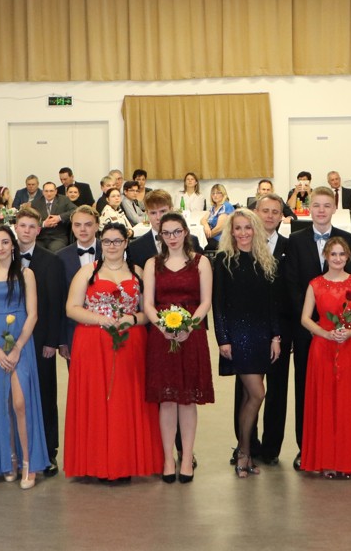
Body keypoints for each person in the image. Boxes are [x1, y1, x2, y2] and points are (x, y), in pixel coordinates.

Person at [63, 222, 163, 482]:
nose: (111, 246)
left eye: (117, 241)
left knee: (125, 402)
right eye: (106, 241)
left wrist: (133, 318)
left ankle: (125, 461)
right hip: (93, 344)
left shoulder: (138, 272)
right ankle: (96, 462)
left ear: (125, 242)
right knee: (98, 401)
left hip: (131, 343)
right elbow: (71, 308)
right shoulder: (88, 272)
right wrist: (101, 319)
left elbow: (148, 311)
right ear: (101, 243)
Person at [283, 186, 351, 470]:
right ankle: (307, 448)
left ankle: (338, 446)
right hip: (307, 330)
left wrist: (340, 325)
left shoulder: (347, 239)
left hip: (341, 332)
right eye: (316, 205)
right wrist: (313, 323)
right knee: (306, 389)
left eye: (327, 205)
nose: (321, 210)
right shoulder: (295, 240)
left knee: (340, 389)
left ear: (335, 208)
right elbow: (291, 284)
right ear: (308, 209)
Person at [143, 212, 215, 483]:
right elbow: (148, 303)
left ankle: (186, 458)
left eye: (176, 232)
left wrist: (189, 327)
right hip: (161, 336)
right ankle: (167, 459)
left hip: (191, 336)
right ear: (160, 236)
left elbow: (206, 302)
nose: (172, 237)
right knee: (167, 400)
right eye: (166, 233)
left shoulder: (201, 262)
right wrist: (162, 326)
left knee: (187, 400)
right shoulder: (153, 263)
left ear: (185, 232)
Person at [0, 226, 49, 488]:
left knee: (20, 402)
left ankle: (29, 462)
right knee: (0, 402)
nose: (1, 247)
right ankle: (10, 459)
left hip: (20, 341)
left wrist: (17, 347)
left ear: (13, 245)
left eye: (5, 242)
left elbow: (33, 314)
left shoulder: (26, 274)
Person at [212, 209, 283, 477]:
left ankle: (246, 452)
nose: (243, 233)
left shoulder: (266, 260)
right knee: (257, 394)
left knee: (247, 396)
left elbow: (272, 304)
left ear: (255, 229)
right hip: (238, 336)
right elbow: (218, 304)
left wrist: (275, 336)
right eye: (238, 228)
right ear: (231, 232)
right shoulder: (223, 260)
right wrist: (223, 339)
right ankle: (244, 452)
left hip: (262, 335)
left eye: (247, 227)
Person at [298, 237, 351, 477]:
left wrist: (350, 332)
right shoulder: (315, 284)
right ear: (326, 256)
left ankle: (348, 461)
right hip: (322, 348)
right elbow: (305, 318)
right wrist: (324, 333)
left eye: (342, 254)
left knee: (349, 404)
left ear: (348, 256)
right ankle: (327, 461)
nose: (338, 258)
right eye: (333, 254)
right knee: (325, 403)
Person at [13, 207, 67, 476]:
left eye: (31, 226)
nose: (26, 230)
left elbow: (56, 304)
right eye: (22, 225)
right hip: (10, 338)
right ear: (15, 228)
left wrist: (52, 341)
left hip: (40, 339)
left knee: (45, 395)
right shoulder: (5, 257)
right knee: (14, 397)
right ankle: (16, 451)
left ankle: (49, 452)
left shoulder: (50, 261)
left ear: (38, 229)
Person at [243, 194, 294, 466]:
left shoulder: (290, 246)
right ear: (256, 212)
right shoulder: (244, 245)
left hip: (281, 328)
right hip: (249, 328)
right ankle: (246, 445)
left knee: (277, 388)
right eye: (266, 210)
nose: (271, 216)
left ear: (282, 216)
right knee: (247, 389)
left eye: (276, 211)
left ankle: (272, 448)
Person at [58, 205, 103, 354]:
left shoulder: (109, 251)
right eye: (77, 225)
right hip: (73, 328)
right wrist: (62, 340)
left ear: (97, 226)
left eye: (88, 224)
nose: (82, 229)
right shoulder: (60, 257)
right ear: (72, 227)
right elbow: (60, 299)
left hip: (106, 327)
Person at [36, 180, 74, 251]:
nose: (49, 193)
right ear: (43, 192)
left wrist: (59, 217)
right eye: (46, 191)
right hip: (41, 238)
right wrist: (44, 224)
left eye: (51, 191)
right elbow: (31, 222)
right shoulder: (36, 203)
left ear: (56, 191)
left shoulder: (64, 200)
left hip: (58, 237)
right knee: (37, 251)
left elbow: (75, 210)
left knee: (54, 250)